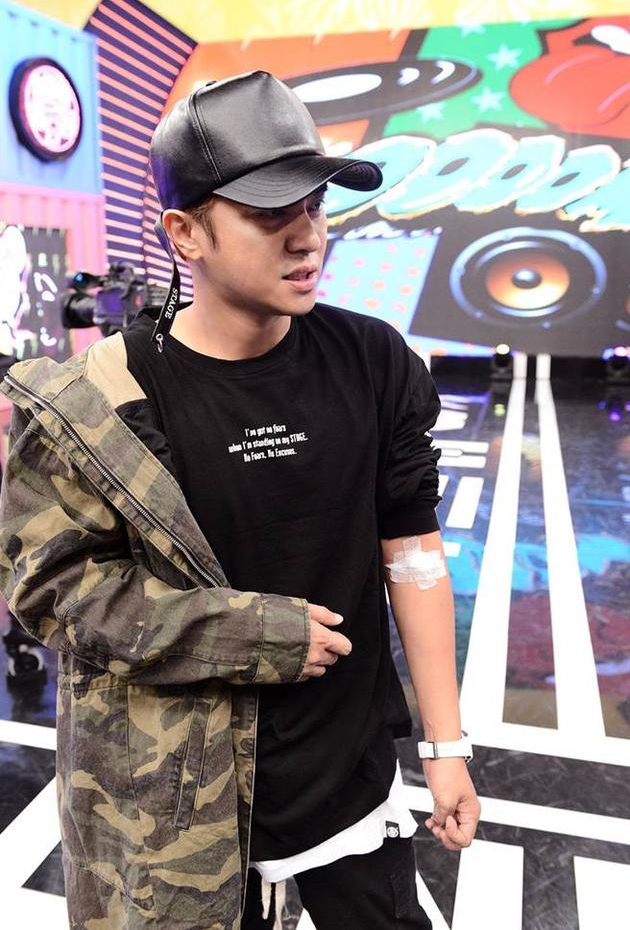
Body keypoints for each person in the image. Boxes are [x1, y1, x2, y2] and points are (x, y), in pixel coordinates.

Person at [0, 71, 480, 930]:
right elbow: (55, 590)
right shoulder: (103, 401)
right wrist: (252, 634)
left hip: (347, 773)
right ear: (184, 232)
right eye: (269, 213)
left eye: (317, 206)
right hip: (177, 804)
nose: (307, 237)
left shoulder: (373, 362)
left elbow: (411, 553)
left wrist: (446, 746)